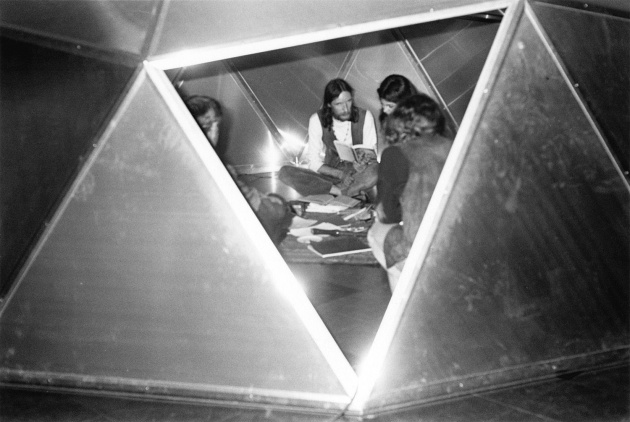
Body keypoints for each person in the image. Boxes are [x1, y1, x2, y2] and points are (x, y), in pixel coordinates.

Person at [367, 94, 452, 292]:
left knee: (376, 232)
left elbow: (389, 215)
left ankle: (406, 301)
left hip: (425, 254)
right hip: (461, 247)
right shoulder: (453, 145)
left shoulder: (395, 154)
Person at [184, 95, 293, 245]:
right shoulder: (218, 169)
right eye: (208, 126)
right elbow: (264, 211)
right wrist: (277, 203)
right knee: (277, 214)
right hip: (225, 236)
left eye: (216, 126)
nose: (215, 133)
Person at [278, 78, 378, 198]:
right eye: (339, 104)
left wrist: (363, 163)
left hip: (357, 176)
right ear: (329, 104)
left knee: (377, 169)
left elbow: (372, 155)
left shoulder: (365, 116)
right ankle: (342, 192)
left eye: (349, 101)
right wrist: (340, 175)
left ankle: (341, 192)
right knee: (285, 172)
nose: (346, 109)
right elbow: (313, 162)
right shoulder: (316, 120)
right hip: (331, 176)